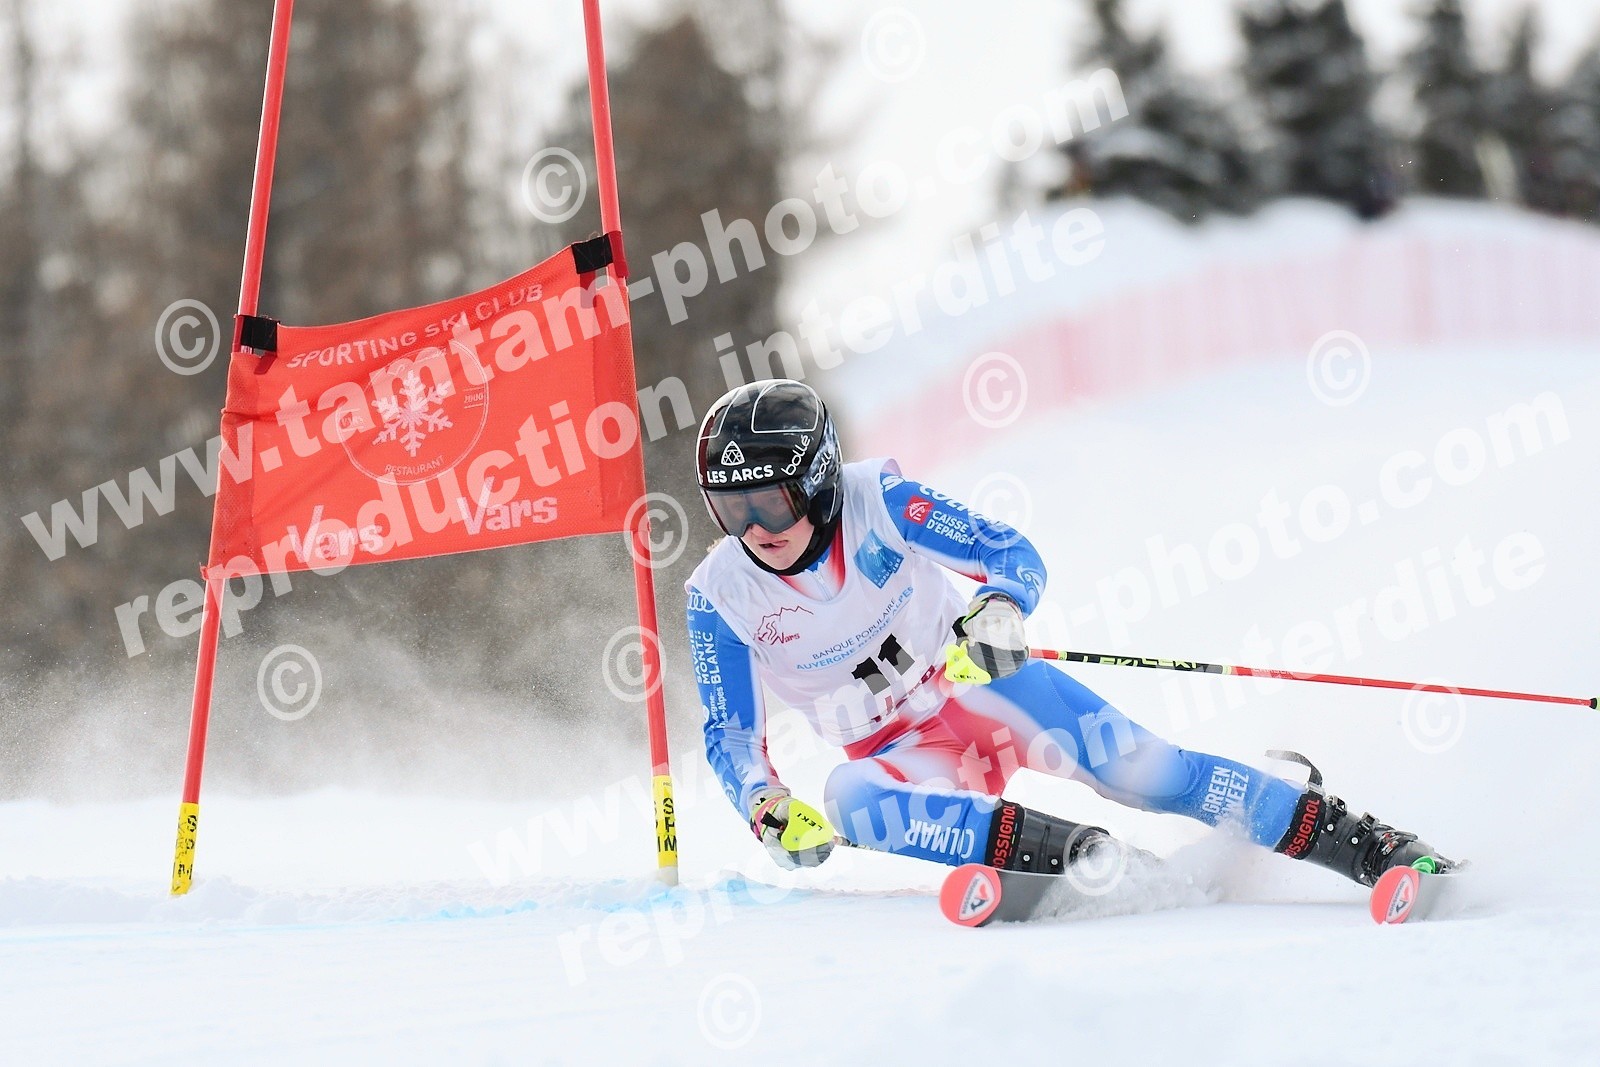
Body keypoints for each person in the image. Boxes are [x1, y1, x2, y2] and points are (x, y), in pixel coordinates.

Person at [685, 379, 1448, 886]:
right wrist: (763, 804)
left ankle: (1366, 844)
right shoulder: (721, 595)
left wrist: (1000, 606)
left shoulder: (878, 500)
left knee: (1149, 772)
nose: (755, 529)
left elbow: (1006, 550)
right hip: (905, 755)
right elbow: (731, 733)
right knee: (849, 796)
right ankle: (1084, 862)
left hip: (984, 690)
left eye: (771, 502)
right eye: (730, 509)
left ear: (818, 481)